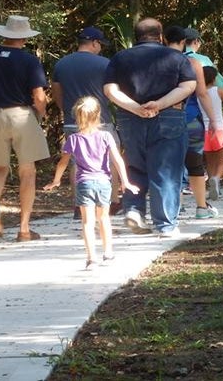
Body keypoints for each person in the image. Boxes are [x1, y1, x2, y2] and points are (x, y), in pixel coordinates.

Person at [103, 18, 198, 238]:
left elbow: (110, 90)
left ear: (136, 36)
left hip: (129, 118)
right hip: (168, 116)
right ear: (161, 35)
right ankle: (165, 224)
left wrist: (135, 108)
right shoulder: (175, 57)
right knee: (166, 169)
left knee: (135, 167)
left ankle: (135, 211)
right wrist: (160, 104)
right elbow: (188, 85)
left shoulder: (120, 58)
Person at [0, 15, 51, 242]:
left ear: (4, 34)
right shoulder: (29, 60)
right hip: (21, 115)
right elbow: (38, 95)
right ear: (24, 37)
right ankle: (24, 229)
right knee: (28, 172)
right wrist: (42, 113)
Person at [42, 96, 139, 270]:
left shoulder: (73, 139)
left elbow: (63, 163)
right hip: (103, 183)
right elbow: (117, 160)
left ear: (77, 117)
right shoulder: (106, 136)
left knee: (87, 222)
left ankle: (91, 258)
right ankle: (108, 253)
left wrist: (56, 180)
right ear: (98, 115)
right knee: (104, 219)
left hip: (84, 183)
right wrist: (125, 182)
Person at [51, 26, 120, 217]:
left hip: (72, 120)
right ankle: (112, 201)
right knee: (109, 160)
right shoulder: (105, 64)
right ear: (94, 43)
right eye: (100, 44)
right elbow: (111, 91)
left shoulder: (61, 64)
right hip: (101, 120)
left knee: (76, 161)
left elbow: (56, 91)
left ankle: (79, 206)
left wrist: (66, 109)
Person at [164, 25, 220, 219]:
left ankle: (175, 206)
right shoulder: (193, 62)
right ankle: (201, 208)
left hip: (165, 119)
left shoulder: (157, 62)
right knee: (195, 163)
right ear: (183, 42)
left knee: (172, 164)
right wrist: (213, 120)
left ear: (164, 40)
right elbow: (202, 93)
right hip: (191, 118)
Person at [202, 65, 223, 200]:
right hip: (219, 128)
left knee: (210, 161)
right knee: (222, 161)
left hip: (204, 130)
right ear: (214, 79)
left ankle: (212, 182)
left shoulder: (198, 93)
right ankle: (216, 179)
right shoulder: (219, 91)